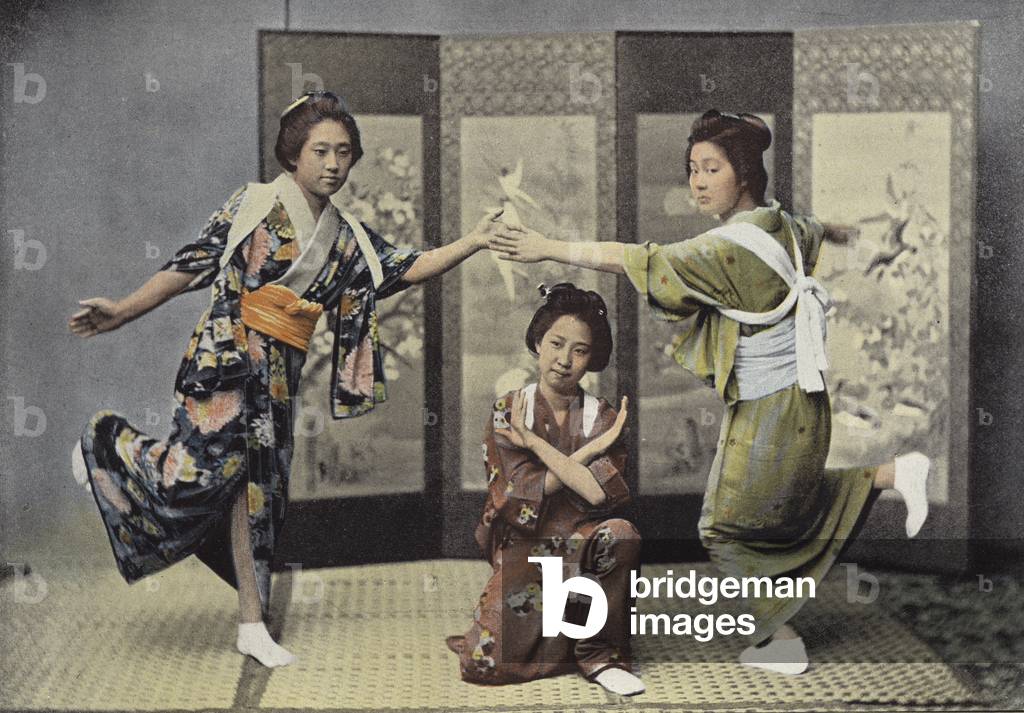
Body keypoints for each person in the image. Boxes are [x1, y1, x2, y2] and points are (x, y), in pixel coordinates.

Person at [487, 110, 931, 674]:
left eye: (711, 168)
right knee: (787, 502)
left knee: (721, 528)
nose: (697, 181)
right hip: (803, 404)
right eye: (692, 169)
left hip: (773, 410)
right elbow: (817, 229)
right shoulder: (780, 226)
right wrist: (848, 231)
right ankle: (893, 474)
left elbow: (635, 258)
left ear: (743, 172)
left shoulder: (726, 250)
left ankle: (781, 640)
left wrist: (546, 246)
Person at [68, 90, 501, 668]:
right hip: (223, 360)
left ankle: (252, 623)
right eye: (320, 150)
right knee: (193, 478)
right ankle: (105, 441)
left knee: (258, 498)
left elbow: (404, 268)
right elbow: (190, 264)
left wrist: (473, 241)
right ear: (293, 154)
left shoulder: (344, 237)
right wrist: (122, 310)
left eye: (344, 153)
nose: (333, 164)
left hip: (278, 378)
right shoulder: (253, 205)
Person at [447, 283, 645, 696]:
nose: (564, 360)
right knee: (484, 664)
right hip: (525, 540)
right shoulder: (510, 408)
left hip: (583, 540)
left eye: (580, 350)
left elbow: (595, 495)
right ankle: (552, 644)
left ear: (593, 358)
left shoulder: (603, 416)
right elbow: (517, 492)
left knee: (622, 534)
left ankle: (597, 654)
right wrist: (591, 453)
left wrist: (536, 444)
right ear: (538, 342)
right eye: (556, 343)